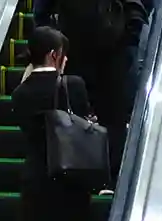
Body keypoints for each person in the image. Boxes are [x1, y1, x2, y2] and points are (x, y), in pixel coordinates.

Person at [11, 26, 96, 221]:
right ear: (55, 55)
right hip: (69, 179)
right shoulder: (73, 85)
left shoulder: (21, 92)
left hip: (35, 178)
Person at [34, 0, 150, 181]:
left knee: (111, 115)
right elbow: (42, 11)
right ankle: (82, 176)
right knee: (80, 114)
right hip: (82, 48)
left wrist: (132, 33)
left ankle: (106, 177)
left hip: (110, 48)